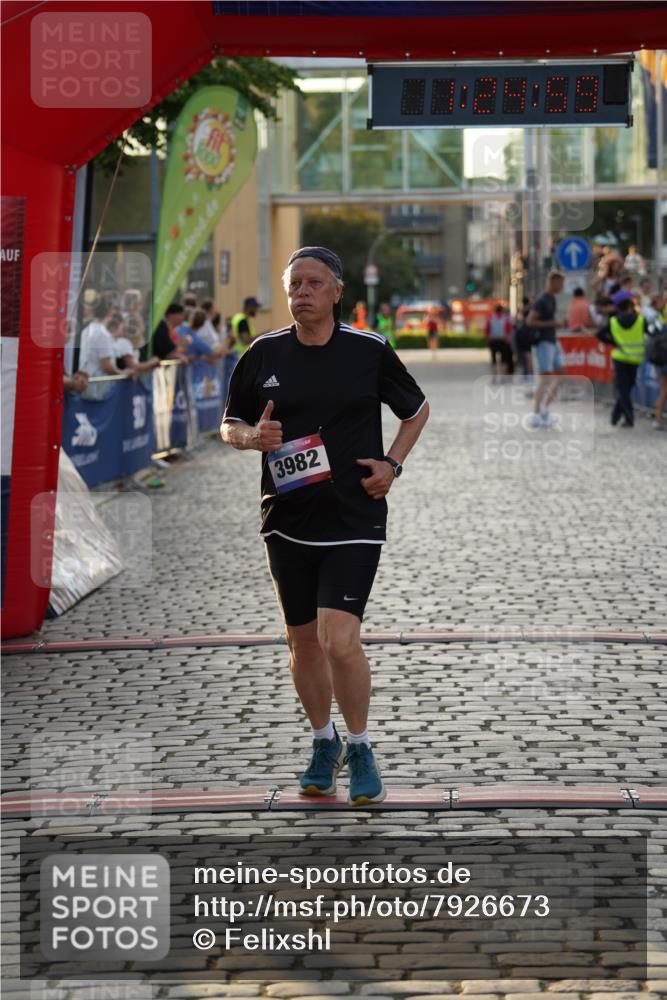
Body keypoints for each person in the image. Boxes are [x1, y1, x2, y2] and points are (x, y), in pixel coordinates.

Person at [220, 246, 429, 806]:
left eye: (314, 283)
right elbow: (230, 423)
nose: (302, 293)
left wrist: (392, 465)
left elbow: (416, 410)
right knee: (303, 643)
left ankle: (360, 746)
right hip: (286, 519)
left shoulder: (368, 350)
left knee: (339, 639)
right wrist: (251, 438)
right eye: (294, 285)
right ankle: (323, 740)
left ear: (337, 291)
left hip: (353, 515)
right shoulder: (263, 353)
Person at [596, 296, 645, 428]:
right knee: (627, 388)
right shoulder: (640, 320)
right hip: (635, 359)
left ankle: (617, 414)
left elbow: (599, 334)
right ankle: (628, 417)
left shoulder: (613, 321)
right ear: (630, 307)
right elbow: (652, 332)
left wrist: (613, 342)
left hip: (620, 358)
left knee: (623, 389)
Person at [527, 271, 566, 428]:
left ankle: (544, 409)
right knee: (544, 378)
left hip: (553, 341)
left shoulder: (552, 299)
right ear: (554, 282)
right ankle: (536, 414)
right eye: (561, 283)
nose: (563, 286)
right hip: (543, 342)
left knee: (562, 375)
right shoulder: (542, 299)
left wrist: (555, 324)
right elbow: (530, 321)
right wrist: (553, 324)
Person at [485, 303, 513, 382]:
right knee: (504, 360)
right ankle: (503, 377)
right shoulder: (505, 318)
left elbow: (487, 330)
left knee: (493, 360)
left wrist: (488, 339)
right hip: (503, 341)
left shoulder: (491, 317)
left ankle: (494, 378)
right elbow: (510, 329)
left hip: (493, 341)